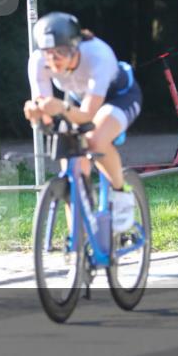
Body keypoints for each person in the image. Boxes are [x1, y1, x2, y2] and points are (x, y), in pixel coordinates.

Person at [23, 12, 142, 232]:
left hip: (118, 97)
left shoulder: (98, 55)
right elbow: (46, 114)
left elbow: (87, 116)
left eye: (61, 52)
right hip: (76, 100)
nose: (54, 59)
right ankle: (78, 243)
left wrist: (60, 108)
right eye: (48, 53)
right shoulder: (38, 61)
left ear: (76, 47)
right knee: (72, 163)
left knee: (94, 140)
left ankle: (121, 193)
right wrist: (36, 115)